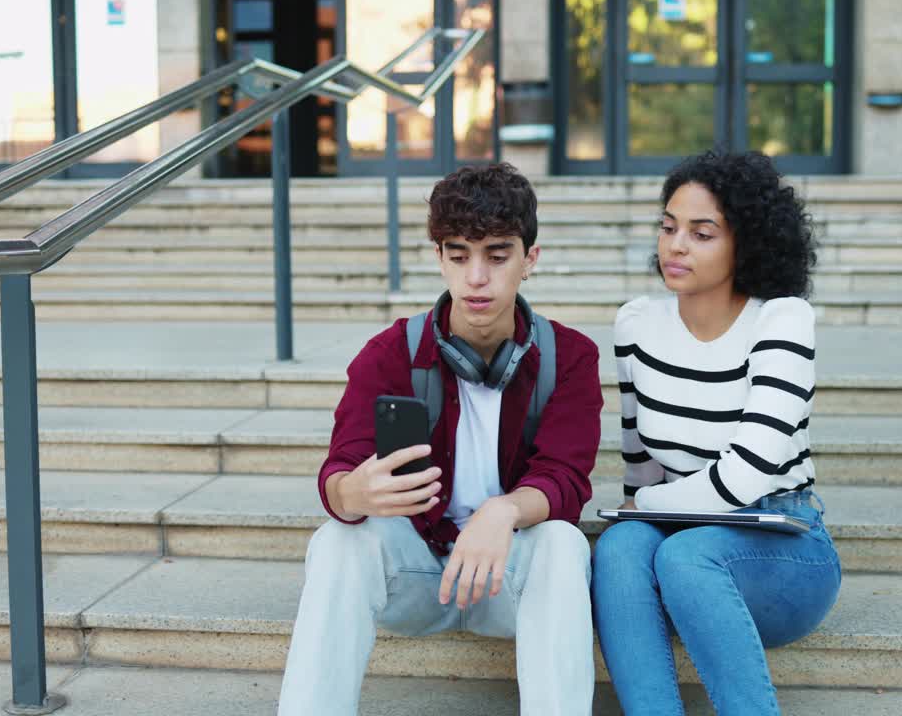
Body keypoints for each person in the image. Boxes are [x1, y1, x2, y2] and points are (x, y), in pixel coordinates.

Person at [277, 163, 603, 716]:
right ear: (439, 258)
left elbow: (566, 479)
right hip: (420, 575)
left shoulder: (570, 355)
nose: (477, 277)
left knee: (564, 543)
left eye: (497, 256)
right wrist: (353, 494)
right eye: (459, 255)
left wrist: (502, 513)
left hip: (509, 576)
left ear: (530, 259)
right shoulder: (390, 352)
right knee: (337, 540)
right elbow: (340, 471)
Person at [592, 150, 841, 715]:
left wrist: (648, 504)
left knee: (685, 556)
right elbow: (640, 461)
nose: (676, 245)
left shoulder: (781, 319)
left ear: (745, 243)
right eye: (668, 226)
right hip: (681, 533)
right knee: (621, 545)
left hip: (782, 540)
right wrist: (638, 510)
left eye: (701, 233)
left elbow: (745, 475)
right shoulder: (637, 324)